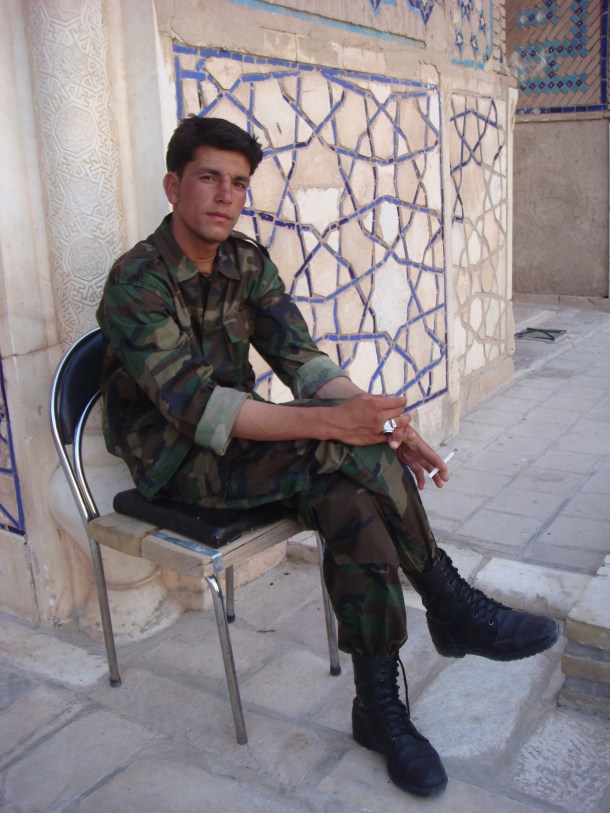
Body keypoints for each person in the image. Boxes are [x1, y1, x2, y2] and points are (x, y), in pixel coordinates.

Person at [96, 115, 559, 798]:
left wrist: (380, 419)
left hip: (244, 448)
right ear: (173, 186)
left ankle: (378, 707)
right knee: (333, 445)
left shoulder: (245, 261)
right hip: (174, 462)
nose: (226, 195)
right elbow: (202, 409)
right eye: (209, 178)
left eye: (239, 183)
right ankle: (447, 600)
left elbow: (302, 359)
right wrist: (334, 423)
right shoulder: (136, 282)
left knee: (350, 494)